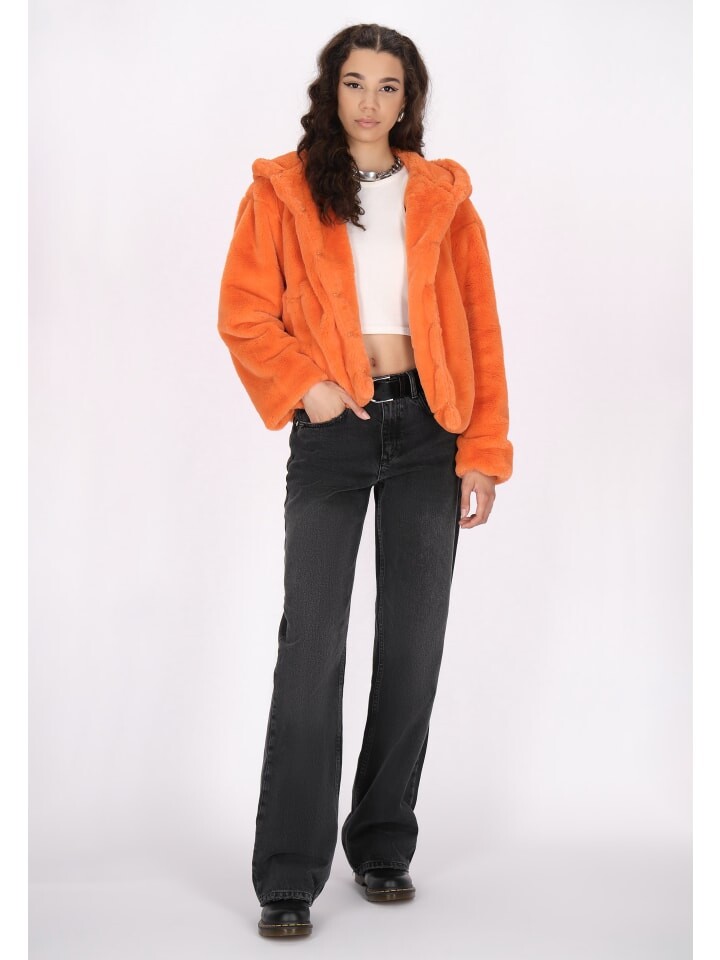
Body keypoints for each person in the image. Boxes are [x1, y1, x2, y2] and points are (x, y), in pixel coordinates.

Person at [217, 22, 513, 939]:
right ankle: (288, 872)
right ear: (331, 89)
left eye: (389, 86)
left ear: (408, 98)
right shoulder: (282, 190)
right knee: (312, 646)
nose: (371, 102)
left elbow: (480, 326)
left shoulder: (445, 198)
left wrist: (483, 447)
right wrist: (305, 386)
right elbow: (243, 313)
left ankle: (383, 841)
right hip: (333, 431)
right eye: (355, 83)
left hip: (431, 428)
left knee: (413, 645)